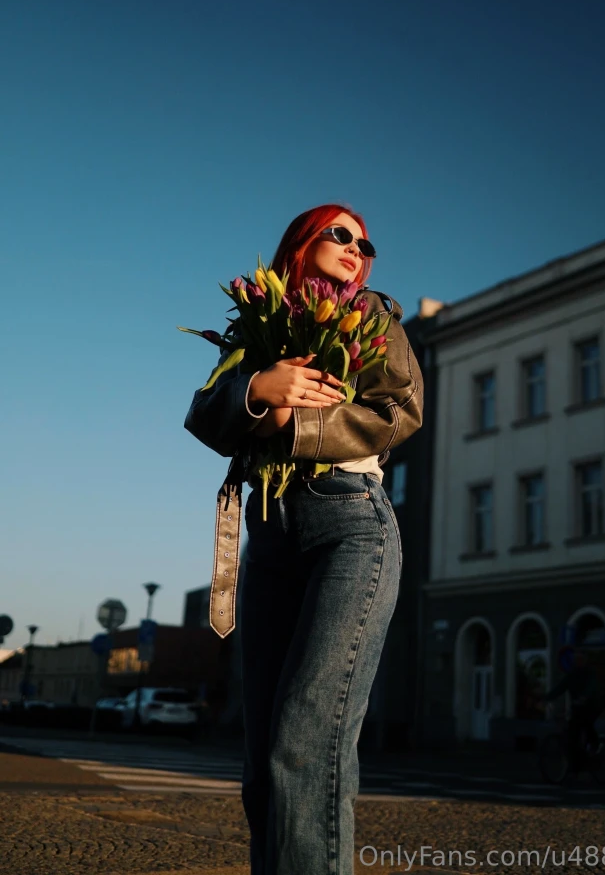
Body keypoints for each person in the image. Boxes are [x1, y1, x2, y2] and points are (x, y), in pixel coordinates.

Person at [184, 204, 424, 875]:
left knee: (304, 743)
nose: (357, 247)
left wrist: (294, 428)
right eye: (340, 234)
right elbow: (204, 412)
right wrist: (260, 387)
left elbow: (399, 411)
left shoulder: (372, 315)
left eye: (365, 241)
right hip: (270, 540)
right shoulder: (260, 320)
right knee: (264, 762)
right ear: (302, 241)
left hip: (350, 525)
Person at [538, 649, 603, 763]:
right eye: (575, 660)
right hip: (578, 707)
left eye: (580, 659)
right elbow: (560, 688)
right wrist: (546, 698)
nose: (577, 662)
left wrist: (585, 697)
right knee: (572, 731)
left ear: (585, 660)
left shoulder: (590, 672)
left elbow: (591, 687)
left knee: (587, 723)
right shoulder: (572, 674)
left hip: (593, 706)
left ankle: (595, 746)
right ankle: (576, 760)